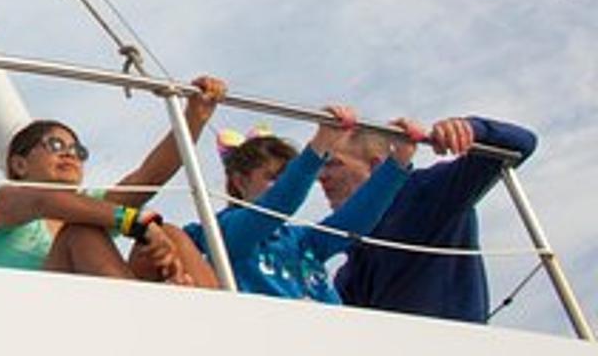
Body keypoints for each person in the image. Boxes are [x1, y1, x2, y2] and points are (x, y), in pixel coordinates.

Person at [0, 77, 225, 286]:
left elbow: (147, 178)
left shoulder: (88, 205)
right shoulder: (0, 200)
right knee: (80, 233)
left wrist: (194, 117)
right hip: (30, 316)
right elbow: (42, 202)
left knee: (170, 234)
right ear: (20, 165)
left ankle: (220, 318)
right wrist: (134, 222)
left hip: (84, 308)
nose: (70, 154)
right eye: (55, 145)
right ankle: (136, 312)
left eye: (78, 150)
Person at [328, 114, 538, 322]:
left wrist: (469, 128)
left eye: (334, 164)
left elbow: (522, 143)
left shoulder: (428, 190)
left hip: (456, 346)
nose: (320, 176)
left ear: (374, 167)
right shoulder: (350, 264)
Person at [191, 110, 413, 301]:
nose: (284, 183)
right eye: (274, 177)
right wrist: (320, 145)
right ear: (240, 182)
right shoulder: (225, 232)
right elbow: (280, 202)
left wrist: (398, 162)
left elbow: (352, 221)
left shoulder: (302, 240)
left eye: (287, 175)